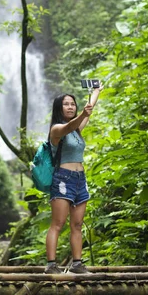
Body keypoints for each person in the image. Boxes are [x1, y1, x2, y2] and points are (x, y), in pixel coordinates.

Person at [44, 85, 103, 274]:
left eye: (72, 104)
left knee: (77, 225)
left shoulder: (77, 130)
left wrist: (96, 92)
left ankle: (77, 264)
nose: (70, 107)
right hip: (63, 179)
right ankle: (51, 265)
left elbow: (86, 114)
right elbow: (70, 125)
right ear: (58, 108)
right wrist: (83, 114)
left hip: (80, 180)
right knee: (58, 224)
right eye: (65, 104)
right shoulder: (57, 129)